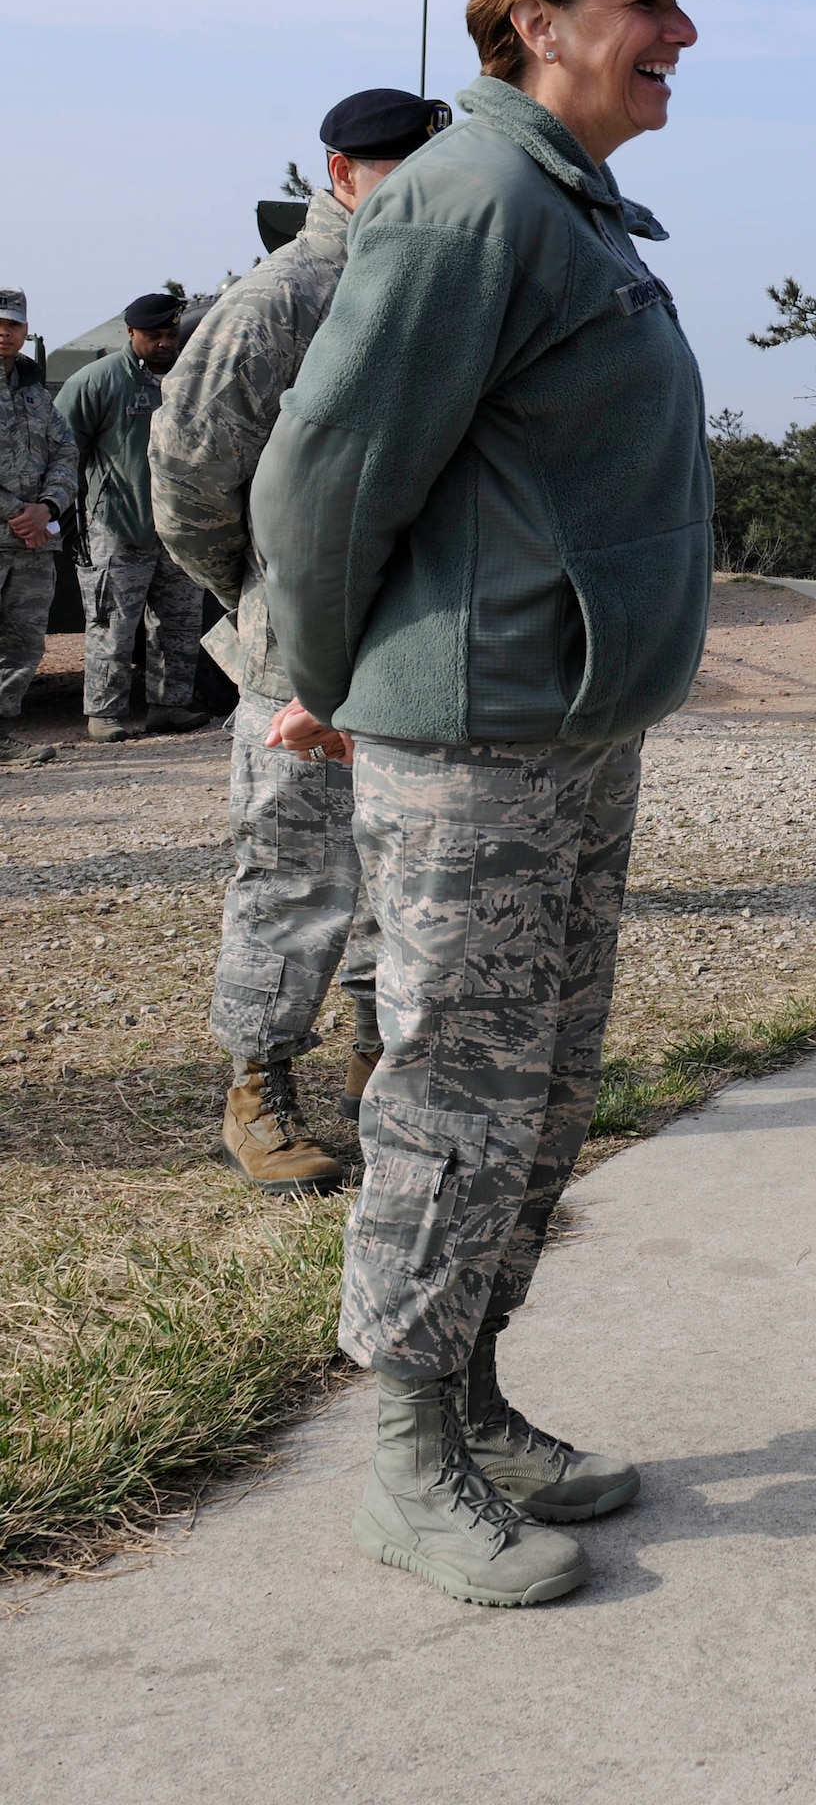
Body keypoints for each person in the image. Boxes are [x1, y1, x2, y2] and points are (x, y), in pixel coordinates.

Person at [251, 0, 724, 1609]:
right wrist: (323, 671)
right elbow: (323, 469)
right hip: (480, 731)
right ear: (537, 18)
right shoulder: (470, 205)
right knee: (456, 1092)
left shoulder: (568, 202)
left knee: (537, 1089)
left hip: (566, 720)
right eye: (648, 5)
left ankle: (472, 1391)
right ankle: (404, 1458)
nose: (678, 35)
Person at [150, 88, 449, 1196]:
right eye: (389, 169)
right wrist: (261, 596)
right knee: (291, 865)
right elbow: (185, 476)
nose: (414, 188)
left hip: (420, 638)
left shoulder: (441, 292)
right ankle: (259, 1082)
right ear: (340, 175)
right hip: (301, 647)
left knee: (407, 860)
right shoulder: (283, 298)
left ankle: (386, 1056)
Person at [56, 293, 208, 742]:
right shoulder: (97, 382)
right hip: (118, 528)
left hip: (180, 529)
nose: (164, 343)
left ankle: (170, 706)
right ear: (130, 333)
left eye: (170, 335)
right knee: (112, 624)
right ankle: (104, 714)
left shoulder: (189, 379)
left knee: (179, 624)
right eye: (154, 335)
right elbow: (65, 452)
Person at [0, 288, 76, 766]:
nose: (3, 333)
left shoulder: (34, 389)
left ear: (26, 331)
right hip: (16, 530)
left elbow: (66, 451)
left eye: (12, 325)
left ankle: (2, 733)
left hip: (33, 545)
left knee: (22, 644)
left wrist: (48, 507)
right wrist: (17, 512)